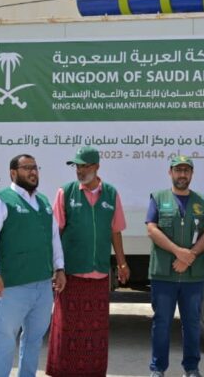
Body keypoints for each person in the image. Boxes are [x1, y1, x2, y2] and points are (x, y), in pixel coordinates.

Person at [46, 146, 129, 377]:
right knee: (67, 331)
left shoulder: (111, 194)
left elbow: (115, 231)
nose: (80, 170)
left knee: (96, 334)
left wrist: (122, 263)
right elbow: (55, 233)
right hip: (71, 276)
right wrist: (57, 268)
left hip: (99, 275)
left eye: (85, 166)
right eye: (77, 166)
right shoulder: (66, 192)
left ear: (97, 167)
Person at [0, 154, 66, 377]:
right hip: (12, 286)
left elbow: (54, 238)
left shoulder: (44, 202)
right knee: (5, 340)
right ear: (13, 173)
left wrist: (59, 268)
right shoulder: (0, 200)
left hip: (42, 286)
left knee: (34, 340)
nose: (33, 172)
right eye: (26, 167)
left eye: (35, 167)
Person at [146, 155, 204, 377]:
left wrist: (190, 256)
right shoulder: (158, 198)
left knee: (192, 324)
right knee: (161, 323)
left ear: (192, 174)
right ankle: (158, 369)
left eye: (186, 170)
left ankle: (192, 368)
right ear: (170, 173)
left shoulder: (202, 201)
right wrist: (179, 252)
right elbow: (152, 229)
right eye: (178, 170)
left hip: (192, 276)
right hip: (164, 275)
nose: (182, 174)